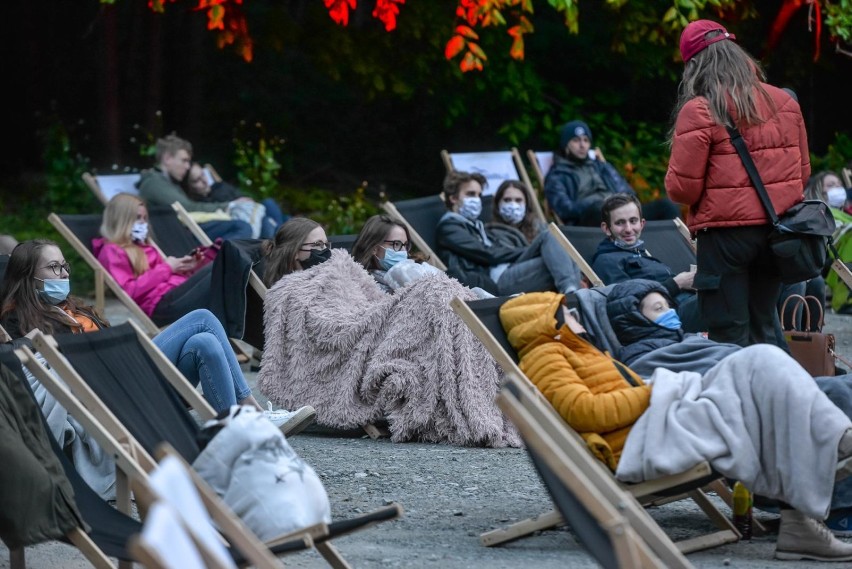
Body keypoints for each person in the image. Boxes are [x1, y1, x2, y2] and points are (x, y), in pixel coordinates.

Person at [500, 289, 852, 561]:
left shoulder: (579, 350)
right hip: (644, 441)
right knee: (757, 372)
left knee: (760, 361)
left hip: (658, 424)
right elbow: (583, 411)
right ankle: (835, 441)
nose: (579, 318)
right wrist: (656, 391)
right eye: (569, 313)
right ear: (548, 320)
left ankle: (801, 517)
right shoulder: (545, 355)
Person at [605, 278, 852, 540]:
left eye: (668, 306)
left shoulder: (686, 339)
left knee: (843, 385)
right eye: (657, 309)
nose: (669, 313)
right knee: (833, 392)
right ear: (633, 319)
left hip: (759, 395)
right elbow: (689, 388)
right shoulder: (641, 358)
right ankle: (839, 506)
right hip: (739, 407)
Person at [0, 239, 316, 435]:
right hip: (114, 392)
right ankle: (254, 412)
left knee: (203, 343)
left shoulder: (73, 307)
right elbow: (29, 368)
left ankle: (235, 432)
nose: (65, 274)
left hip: (132, 379)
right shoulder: (17, 319)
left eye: (64, 266)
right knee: (203, 319)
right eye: (54, 268)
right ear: (28, 277)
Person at [257, 219, 519, 447]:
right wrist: (376, 318)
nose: (326, 251)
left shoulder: (342, 271)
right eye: (316, 246)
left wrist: (383, 313)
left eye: (326, 244)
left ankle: (486, 395)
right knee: (432, 292)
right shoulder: (288, 290)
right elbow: (327, 326)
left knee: (440, 293)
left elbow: (368, 300)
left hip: (372, 320)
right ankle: (472, 401)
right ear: (294, 253)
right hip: (356, 334)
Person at [665, 19, 810, 349]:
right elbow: (801, 176)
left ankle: (737, 400)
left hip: (725, 240)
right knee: (765, 327)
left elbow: (682, 190)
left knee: (728, 332)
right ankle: (776, 398)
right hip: (776, 234)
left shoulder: (700, 109)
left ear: (694, 66)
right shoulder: (786, 103)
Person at [435, 171, 582, 296]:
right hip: (491, 283)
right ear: (453, 198)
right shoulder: (449, 227)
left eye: (479, 195)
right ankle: (573, 296)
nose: (477, 200)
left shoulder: (474, 225)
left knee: (560, 252)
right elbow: (488, 254)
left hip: (501, 274)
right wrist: (532, 250)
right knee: (550, 240)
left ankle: (572, 293)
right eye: (471, 194)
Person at [93, 193, 212, 326]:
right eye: (138, 218)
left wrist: (186, 269)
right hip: (161, 306)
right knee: (218, 266)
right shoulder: (112, 251)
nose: (143, 223)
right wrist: (167, 267)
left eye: (145, 218)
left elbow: (163, 277)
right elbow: (129, 291)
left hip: (173, 295)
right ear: (121, 220)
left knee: (219, 267)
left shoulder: (142, 246)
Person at [591, 194, 704, 332]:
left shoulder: (640, 253)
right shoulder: (607, 261)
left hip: (687, 304)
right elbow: (628, 304)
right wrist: (677, 283)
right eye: (620, 223)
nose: (628, 229)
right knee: (723, 295)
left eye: (633, 221)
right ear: (606, 228)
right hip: (665, 320)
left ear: (642, 224)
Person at [544, 120, 679, 226]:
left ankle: (675, 251)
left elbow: (629, 192)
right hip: (590, 219)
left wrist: (618, 203)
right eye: (576, 140)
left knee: (667, 206)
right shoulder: (557, 175)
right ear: (565, 145)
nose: (582, 145)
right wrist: (597, 203)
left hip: (620, 211)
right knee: (599, 209)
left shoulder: (601, 166)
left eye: (586, 140)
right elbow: (565, 209)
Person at [137, 134, 253, 242]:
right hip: (178, 237)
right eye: (184, 160)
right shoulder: (154, 183)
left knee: (253, 222)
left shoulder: (167, 182)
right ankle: (216, 260)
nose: (187, 166)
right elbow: (188, 207)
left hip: (185, 230)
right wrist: (229, 205)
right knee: (241, 226)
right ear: (167, 159)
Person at [182, 162, 288, 239]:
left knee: (270, 204)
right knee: (271, 223)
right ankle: (288, 240)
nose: (204, 181)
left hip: (254, 212)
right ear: (189, 187)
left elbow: (241, 196)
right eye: (197, 180)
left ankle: (288, 237)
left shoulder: (218, 186)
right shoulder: (202, 204)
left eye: (203, 175)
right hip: (249, 223)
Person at [350, 214, 442, 294]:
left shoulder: (419, 269)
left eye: (405, 245)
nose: (404, 251)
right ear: (374, 248)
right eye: (396, 244)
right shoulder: (356, 286)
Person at [262, 217, 331, 287]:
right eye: (318, 244)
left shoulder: (334, 277)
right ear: (295, 252)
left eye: (326, 244)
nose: (326, 249)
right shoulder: (284, 293)